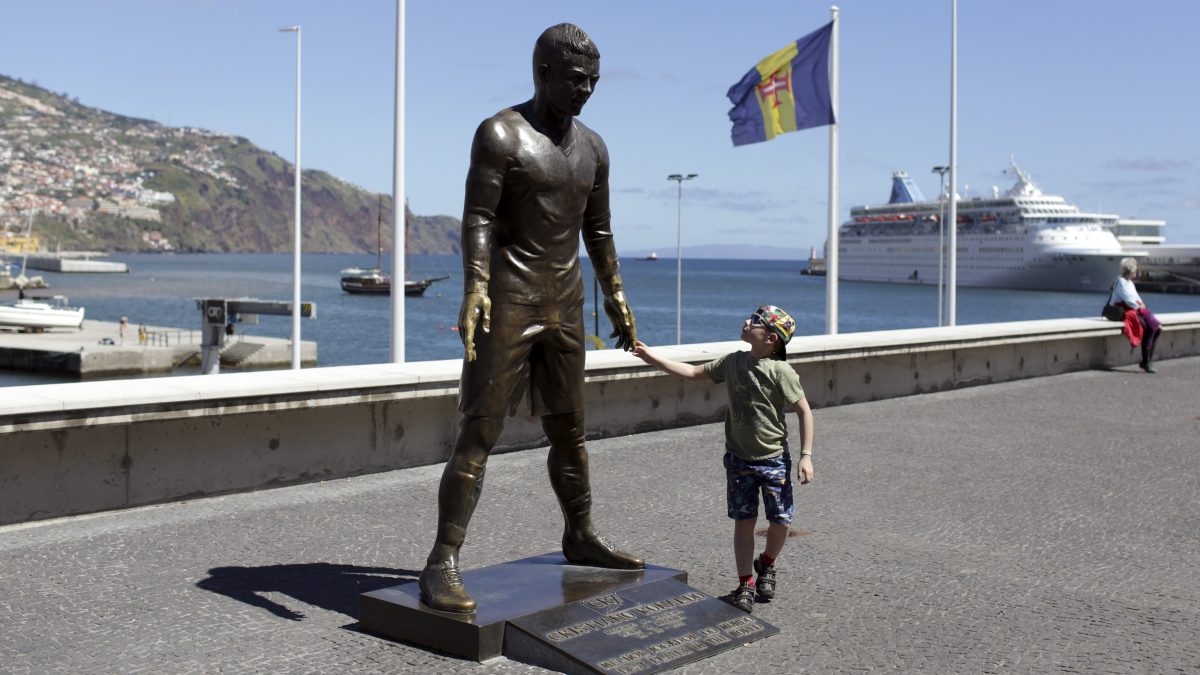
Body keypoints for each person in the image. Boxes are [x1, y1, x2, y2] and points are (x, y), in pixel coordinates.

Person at [418, 23, 640, 615]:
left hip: (565, 302)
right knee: (479, 431)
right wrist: (475, 285)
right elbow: (478, 217)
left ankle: (580, 534)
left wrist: (615, 292)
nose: (586, 90)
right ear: (542, 73)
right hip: (509, 301)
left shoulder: (595, 149)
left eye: (593, 81)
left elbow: (598, 229)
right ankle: (442, 559)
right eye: (576, 79)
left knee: (570, 430)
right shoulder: (500, 134)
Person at [630, 305, 814, 613]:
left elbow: (804, 411)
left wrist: (806, 456)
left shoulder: (782, 372)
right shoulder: (733, 362)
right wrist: (652, 358)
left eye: (755, 322)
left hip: (773, 460)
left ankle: (767, 562)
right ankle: (746, 582)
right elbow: (693, 373)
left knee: (781, 521)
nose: (746, 322)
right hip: (739, 460)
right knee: (744, 522)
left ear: (770, 338)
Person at [1111, 257, 1162, 373]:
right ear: (1130, 270)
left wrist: (1141, 304)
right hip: (1126, 311)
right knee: (1148, 328)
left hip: (1134, 310)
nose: (1137, 271)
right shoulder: (1121, 281)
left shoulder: (1130, 283)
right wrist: (1140, 306)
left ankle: (1147, 360)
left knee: (1157, 329)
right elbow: (1128, 300)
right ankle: (1146, 361)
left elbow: (1136, 297)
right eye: (1135, 269)